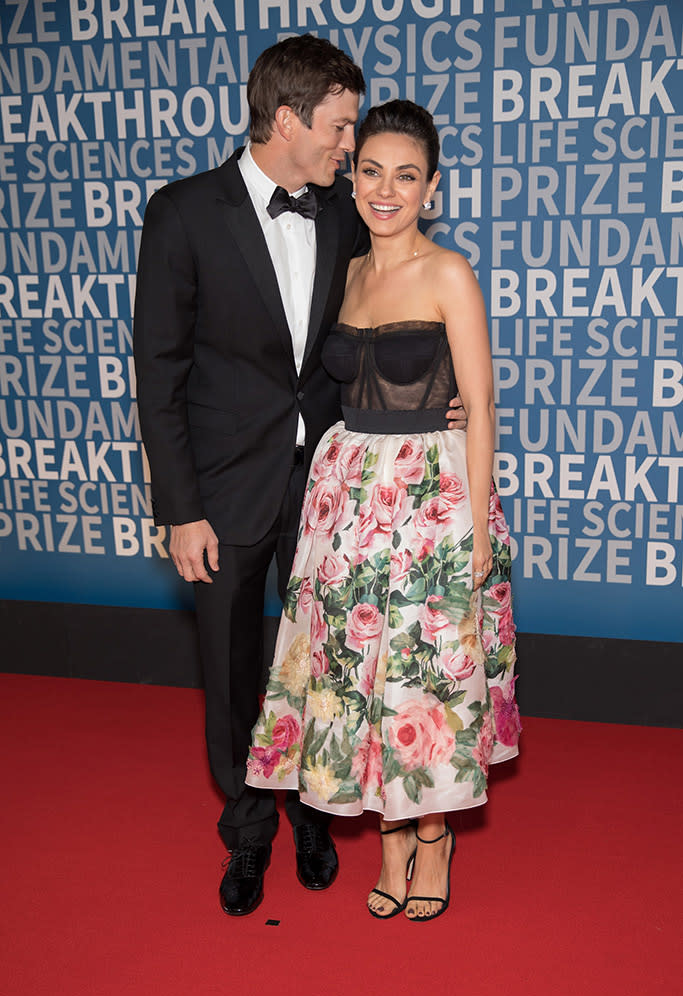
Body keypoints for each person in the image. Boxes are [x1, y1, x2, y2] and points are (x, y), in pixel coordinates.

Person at [134, 36, 465, 917]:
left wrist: (439, 405)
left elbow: (390, 321)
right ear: (287, 119)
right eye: (340, 126)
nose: (350, 149)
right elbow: (157, 374)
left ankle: (316, 811)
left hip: (330, 490)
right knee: (234, 670)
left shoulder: (346, 213)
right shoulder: (182, 214)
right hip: (225, 490)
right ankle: (249, 835)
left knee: (328, 662)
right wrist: (181, 510)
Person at [246, 100, 521, 922]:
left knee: (424, 672)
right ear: (352, 178)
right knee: (354, 668)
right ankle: (389, 835)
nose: (385, 189)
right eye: (370, 171)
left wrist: (474, 526)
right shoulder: (347, 273)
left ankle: (430, 833)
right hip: (346, 495)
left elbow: (480, 404)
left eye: (406, 175)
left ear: (430, 188)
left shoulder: (448, 273)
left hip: (431, 503)